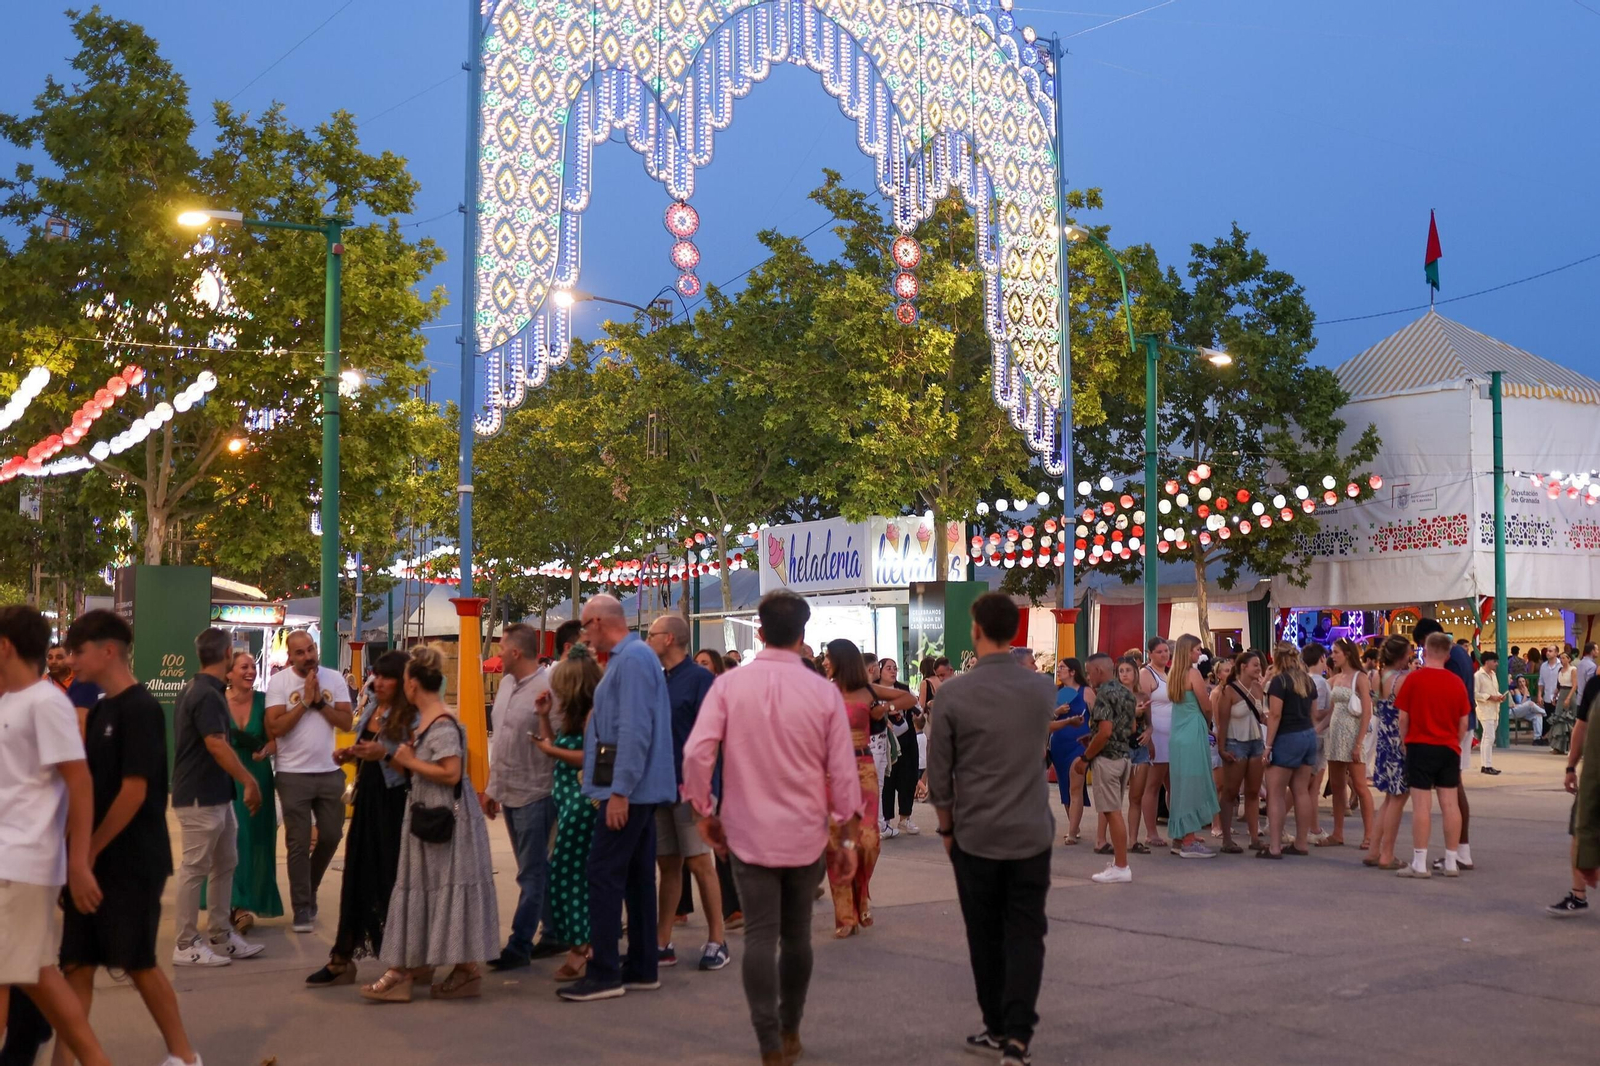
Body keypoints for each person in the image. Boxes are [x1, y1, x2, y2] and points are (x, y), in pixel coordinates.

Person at [682, 590, 862, 1066]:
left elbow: (697, 753)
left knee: (761, 936)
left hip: (745, 831)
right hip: (805, 834)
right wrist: (845, 835)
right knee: (797, 935)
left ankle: (767, 1041)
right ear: (803, 635)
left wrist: (704, 811)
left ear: (759, 632)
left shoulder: (729, 686)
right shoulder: (822, 691)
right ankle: (790, 1028)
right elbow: (842, 769)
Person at [57, 610, 200, 1066]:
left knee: (137, 961)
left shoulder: (141, 709)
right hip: (93, 862)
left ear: (108, 651)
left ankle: (183, 1054)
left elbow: (135, 791)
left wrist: (88, 852)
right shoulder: (100, 709)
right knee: (76, 965)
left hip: (134, 860)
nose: (70, 660)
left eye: (77, 651)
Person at [927, 593, 1055, 1066]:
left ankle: (997, 1025)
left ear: (976, 630)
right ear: (1015, 631)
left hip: (975, 833)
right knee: (1025, 931)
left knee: (984, 934)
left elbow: (940, 774)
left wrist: (945, 829)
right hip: (1030, 831)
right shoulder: (1041, 688)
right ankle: (1018, 1036)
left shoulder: (953, 693)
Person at [0, 606, 110, 1066]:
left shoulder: (46, 703)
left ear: (5, 646)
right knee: (28, 975)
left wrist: (79, 861)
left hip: (24, 861)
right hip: (11, 859)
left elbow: (80, 782)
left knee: (36, 974)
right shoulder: (13, 701)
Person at [359, 646, 500, 1002]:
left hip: (443, 819)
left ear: (413, 684)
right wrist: (389, 756)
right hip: (427, 814)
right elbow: (411, 766)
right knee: (430, 888)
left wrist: (408, 759)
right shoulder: (426, 721)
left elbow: (452, 772)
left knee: (442, 887)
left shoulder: (441, 723)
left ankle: (419, 970)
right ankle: (441, 967)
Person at [557, 594, 677, 1003]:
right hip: (633, 788)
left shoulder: (631, 660)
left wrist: (620, 791)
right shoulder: (634, 658)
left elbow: (634, 730)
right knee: (635, 877)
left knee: (603, 874)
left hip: (627, 789)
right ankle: (642, 966)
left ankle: (605, 970)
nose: (586, 639)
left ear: (596, 622)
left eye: (586, 630)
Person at [305, 651, 417, 987]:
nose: (378, 682)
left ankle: (405, 959)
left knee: (390, 880)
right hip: (368, 800)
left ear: (403, 681)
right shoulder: (372, 708)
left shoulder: (412, 717)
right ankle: (342, 958)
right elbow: (367, 747)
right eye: (376, 675)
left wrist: (384, 754)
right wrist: (350, 754)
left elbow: (415, 770)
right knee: (355, 876)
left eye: (387, 677)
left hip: (394, 804)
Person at [483, 621, 576, 972]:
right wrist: (494, 788)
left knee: (532, 872)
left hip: (538, 792)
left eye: (501, 647)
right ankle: (554, 932)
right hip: (509, 790)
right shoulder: (506, 684)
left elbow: (562, 737)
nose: (498, 653)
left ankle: (519, 944)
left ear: (516, 652)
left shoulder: (549, 688)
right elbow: (504, 741)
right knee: (535, 869)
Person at [170, 628, 264, 967]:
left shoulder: (202, 689)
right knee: (194, 869)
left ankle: (221, 935)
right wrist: (248, 779)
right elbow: (215, 743)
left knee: (226, 863)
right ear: (227, 653)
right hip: (199, 795)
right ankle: (185, 943)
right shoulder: (206, 695)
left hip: (215, 795)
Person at [643, 614, 728, 972]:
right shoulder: (657, 679)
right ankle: (662, 940)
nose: (646, 640)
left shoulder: (701, 680)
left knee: (698, 861)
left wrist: (709, 790)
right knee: (669, 863)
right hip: (661, 786)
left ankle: (718, 938)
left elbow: (717, 738)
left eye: (651, 634)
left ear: (669, 639)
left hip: (694, 787)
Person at [822, 639, 916, 937]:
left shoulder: (868, 690)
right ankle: (845, 916)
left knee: (868, 841)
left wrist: (884, 708)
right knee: (836, 844)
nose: (825, 663)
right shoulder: (823, 691)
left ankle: (861, 893)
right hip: (830, 772)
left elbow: (909, 699)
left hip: (863, 770)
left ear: (842, 660)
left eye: (828, 657)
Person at [264, 629, 354, 932]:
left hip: (329, 772)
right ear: (290, 657)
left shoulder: (334, 679)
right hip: (292, 775)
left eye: (310, 649)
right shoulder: (279, 683)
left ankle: (310, 888)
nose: (308, 656)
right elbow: (275, 728)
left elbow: (345, 721)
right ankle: (302, 907)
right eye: (300, 652)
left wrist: (318, 704)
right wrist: (303, 703)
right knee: (298, 842)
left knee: (331, 835)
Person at [534, 645, 603, 980]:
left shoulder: (593, 716)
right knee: (563, 872)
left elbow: (589, 758)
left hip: (581, 803)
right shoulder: (574, 717)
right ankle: (580, 943)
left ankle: (581, 946)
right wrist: (545, 718)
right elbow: (558, 748)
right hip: (567, 800)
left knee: (567, 873)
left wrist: (551, 749)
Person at [213, 651, 281, 932]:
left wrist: (266, 749)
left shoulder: (265, 702)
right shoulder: (217, 703)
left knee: (255, 840)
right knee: (231, 839)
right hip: (226, 777)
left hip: (258, 776)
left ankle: (244, 903)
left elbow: (276, 739)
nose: (250, 671)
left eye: (253, 666)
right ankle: (232, 904)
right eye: (244, 666)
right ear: (229, 674)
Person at [1394, 631, 1471, 879]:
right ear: (1448, 655)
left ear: (1424, 652)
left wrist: (1405, 743)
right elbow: (1463, 722)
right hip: (1448, 748)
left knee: (1422, 807)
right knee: (1450, 805)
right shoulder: (1456, 683)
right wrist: (1454, 743)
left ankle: (1419, 862)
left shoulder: (1413, 680)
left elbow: (1403, 718)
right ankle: (1450, 861)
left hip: (1419, 745)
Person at [1413, 618, 1479, 871]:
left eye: (1423, 646)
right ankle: (1460, 851)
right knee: (1453, 787)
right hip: (1461, 723)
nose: (1424, 652)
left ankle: (1460, 850)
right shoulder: (1461, 653)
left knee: (1451, 789)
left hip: (1450, 727)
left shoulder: (1450, 658)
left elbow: (1447, 694)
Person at [1259, 641, 1319, 860]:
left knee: (1275, 794)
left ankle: (1274, 846)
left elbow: (1275, 715)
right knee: (1301, 791)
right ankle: (1301, 842)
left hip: (1287, 737)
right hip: (1307, 735)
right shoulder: (1307, 681)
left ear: (1276, 658)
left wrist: (1268, 746)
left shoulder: (1279, 682)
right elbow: (1314, 714)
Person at [1163, 634, 1220, 858]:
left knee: (1180, 784)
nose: (1200, 653)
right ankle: (1188, 841)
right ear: (1188, 651)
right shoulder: (1193, 673)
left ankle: (1181, 835)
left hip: (1178, 732)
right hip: (1193, 730)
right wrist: (1209, 723)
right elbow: (1206, 705)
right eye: (1196, 649)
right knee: (1195, 783)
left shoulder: (1173, 674)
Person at [1080, 653, 1135, 883]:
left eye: (1089, 671)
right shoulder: (1126, 693)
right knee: (1115, 810)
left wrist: (1085, 758)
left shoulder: (1103, 694)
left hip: (1107, 759)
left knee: (1113, 813)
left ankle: (1121, 866)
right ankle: (1120, 865)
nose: (1087, 676)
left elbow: (1105, 731)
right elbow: (1131, 727)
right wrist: (1093, 737)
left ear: (1099, 671)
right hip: (1124, 757)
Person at [1549, 672, 1600, 914]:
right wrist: (1570, 767)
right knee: (1579, 828)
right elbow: (1581, 726)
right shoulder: (1595, 685)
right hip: (1594, 776)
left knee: (1582, 827)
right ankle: (1578, 894)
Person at [1364, 636, 1414, 870]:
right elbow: (1406, 713)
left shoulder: (1376, 677)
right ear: (1402, 656)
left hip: (1383, 739)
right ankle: (1387, 854)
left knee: (1387, 799)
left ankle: (1374, 850)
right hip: (1399, 740)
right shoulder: (1404, 679)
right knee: (1398, 798)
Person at [1323, 638, 1375, 847]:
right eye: (1332, 652)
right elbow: (1330, 710)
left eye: (1336, 652)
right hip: (1336, 734)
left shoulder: (1360, 678)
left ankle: (1369, 835)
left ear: (1347, 653)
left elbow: (1367, 712)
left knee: (1360, 786)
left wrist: (1359, 742)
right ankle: (1337, 833)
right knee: (1337, 786)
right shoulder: (1335, 678)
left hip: (1353, 734)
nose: (1333, 656)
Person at [1215, 649, 1267, 853]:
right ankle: (1226, 839)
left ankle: (1254, 837)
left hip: (1255, 742)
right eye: (1255, 665)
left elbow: (1260, 715)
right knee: (1230, 791)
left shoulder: (1258, 688)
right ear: (1243, 667)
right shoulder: (1229, 691)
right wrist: (1221, 748)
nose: (1259, 669)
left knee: (1253, 792)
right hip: (1235, 742)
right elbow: (1222, 721)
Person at [1048, 658, 1091, 845]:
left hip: (1079, 744)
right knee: (1065, 786)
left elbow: (1097, 715)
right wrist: (1057, 711)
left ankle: (1072, 832)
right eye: (1058, 668)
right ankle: (1074, 824)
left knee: (1076, 786)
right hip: (1058, 744)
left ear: (1073, 671)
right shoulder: (1056, 692)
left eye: (1062, 668)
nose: (1059, 671)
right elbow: (1046, 718)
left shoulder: (1086, 691)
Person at [879, 659, 922, 837]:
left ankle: (905, 818)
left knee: (908, 780)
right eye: (888, 668)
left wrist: (917, 717)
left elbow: (918, 711)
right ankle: (885, 820)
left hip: (906, 740)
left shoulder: (904, 689)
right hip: (885, 743)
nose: (893, 671)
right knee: (887, 782)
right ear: (879, 671)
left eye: (895, 668)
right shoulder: (873, 689)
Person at [1137, 637, 1173, 851]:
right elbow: (1144, 705)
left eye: (1166, 651)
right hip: (1156, 733)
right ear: (1150, 653)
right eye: (1159, 652)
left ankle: (1177, 828)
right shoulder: (1146, 674)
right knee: (1153, 785)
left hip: (1171, 734)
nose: (1164, 655)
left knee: (1172, 785)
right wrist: (1148, 733)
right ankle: (1151, 832)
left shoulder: (1167, 673)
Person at [1120, 656, 1155, 855]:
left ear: (1135, 673)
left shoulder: (1142, 696)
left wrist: (1149, 733)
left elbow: (1149, 723)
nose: (1125, 674)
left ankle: (1133, 840)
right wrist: (1133, 713)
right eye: (1121, 671)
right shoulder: (1114, 695)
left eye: (1128, 670)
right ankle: (1109, 837)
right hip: (1121, 746)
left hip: (1140, 747)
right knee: (1115, 797)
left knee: (1136, 796)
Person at [1474, 652, 1511, 775]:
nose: (1496, 664)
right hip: (1485, 709)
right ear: (1487, 661)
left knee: (1487, 737)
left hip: (1495, 708)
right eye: (1494, 661)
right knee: (1489, 737)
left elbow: (1494, 690)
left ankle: (1485, 765)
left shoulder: (1493, 674)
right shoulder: (1478, 676)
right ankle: (1487, 765)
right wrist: (1490, 697)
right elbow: (1474, 693)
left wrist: (1499, 696)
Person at [1508, 676, 1545, 744]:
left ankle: (1537, 739)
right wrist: (1525, 694)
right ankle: (1545, 713)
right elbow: (1521, 703)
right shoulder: (1516, 690)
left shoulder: (1526, 690)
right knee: (1530, 703)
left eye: (1523, 681)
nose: (1522, 683)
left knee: (1538, 715)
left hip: (1525, 711)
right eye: (1520, 682)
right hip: (1516, 710)